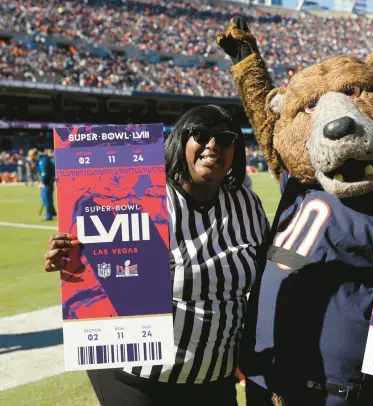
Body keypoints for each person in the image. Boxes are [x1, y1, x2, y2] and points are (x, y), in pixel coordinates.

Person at [44, 105, 270, 406]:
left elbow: (267, 276)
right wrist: (71, 256)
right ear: (180, 141)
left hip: (215, 377)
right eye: (200, 135)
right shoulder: (143, 199)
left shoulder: (247, 204)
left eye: (225, 138)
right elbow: (104, 270)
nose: (212, 145)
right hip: (140, 379)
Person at [37, 148, 56, 221]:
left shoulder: (43, 160)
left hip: (47, 183)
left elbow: (44, 172)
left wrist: (42, 182)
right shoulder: (42, 159)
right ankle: (53, 212)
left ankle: (49, 216)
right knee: (46, 199)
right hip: (47, 182)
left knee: (47, 200)